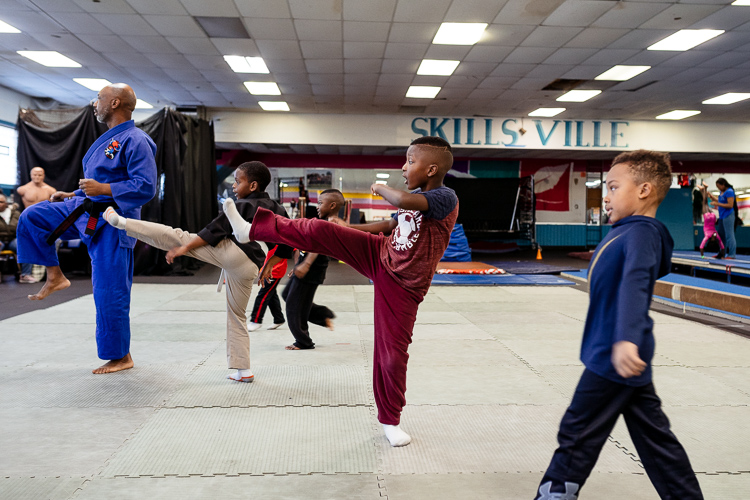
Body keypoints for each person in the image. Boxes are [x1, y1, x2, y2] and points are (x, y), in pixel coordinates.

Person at [223, 136, 458, 447]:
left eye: (409, 162)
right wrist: (345, 229)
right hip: (381, 254)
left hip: (403, 286)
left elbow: (401, 202)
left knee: (390, 357)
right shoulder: (414, 197)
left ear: (431, 169)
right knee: (322, 229)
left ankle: (390, 420)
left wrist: (379, 187)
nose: (403, 168)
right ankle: (252, 229)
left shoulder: (445, 198)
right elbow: (389, 225)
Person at [534, 150, 703, 500]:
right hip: (614, 350)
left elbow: (636, 281)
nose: (605, 196)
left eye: (612, 187)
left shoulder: (643, 233)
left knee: (577, 434)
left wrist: (625, 338)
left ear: (643, 191)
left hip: (614, 353)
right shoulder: (627, 231)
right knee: (656, 443)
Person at [104, 161, 293, 383]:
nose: (233, 185)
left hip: (235, 252)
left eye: (238, 181)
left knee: (179, 235)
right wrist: (273, 262)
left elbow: (215, 229)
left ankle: (124, 222)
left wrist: (184, 248)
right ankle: (244, 371)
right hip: (252, 265)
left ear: (252, 186)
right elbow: (288, 241)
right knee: (237, 315)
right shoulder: (278, 208)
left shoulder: (242, 205)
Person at [16, 83, 157, 374]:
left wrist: (104, 187)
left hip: (114, 222)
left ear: (115, 102)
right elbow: (95, 187)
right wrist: (73, 194)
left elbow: (145, 187)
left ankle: (121, 356)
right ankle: (55, 276)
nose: (96, 103)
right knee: (32, 217)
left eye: (100, 98)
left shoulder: (136, 139)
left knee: (109, 290)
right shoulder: (109, 139)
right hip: (84, 208)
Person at [281, 189, 345, 351]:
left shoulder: (331, 222)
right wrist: (298, 265)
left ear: (331, 205)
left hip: (311, 270)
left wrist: (306, 265)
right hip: (306, 267)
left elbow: (319, 247)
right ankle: (322, 315)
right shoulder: (323, 220)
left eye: (320, 203)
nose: (317, 206)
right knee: (287, 295)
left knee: (294, 305)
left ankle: (303, 341)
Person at [16, 166, 58, 282]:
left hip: (44, 222)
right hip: (28, 221)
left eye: (39, 175)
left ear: (43, 176)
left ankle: (51, 273)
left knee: (55, 241)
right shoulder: (23, 189)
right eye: (34, 174)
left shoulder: (50, 190)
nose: (37, 177)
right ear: (30, 175)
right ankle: (26, 274)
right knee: (26, 242)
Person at [247, 244, 287, 332]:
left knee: (263, 295)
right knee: (271, 294)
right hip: (269, 268)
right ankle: (279, 318)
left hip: (275, 271)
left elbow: (293, 249)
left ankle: (256, 320)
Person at [706, 177, 737, 259]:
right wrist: (713, 197)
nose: (718, 188)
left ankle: (731, 254)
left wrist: (717, 204)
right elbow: (721, 200)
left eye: (719, 186)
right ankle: (721, 253)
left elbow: (730, 205)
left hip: (728, 215)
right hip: (722, 216)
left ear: (723, 184)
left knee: (729, 235)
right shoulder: (722, 192)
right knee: (721, 236)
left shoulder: (729, 191)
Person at [698, 182, 723, 259]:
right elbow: (701, 247)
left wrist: (702, 256)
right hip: (709, 217)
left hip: (711, 217)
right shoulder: (710, 236)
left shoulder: (713, 236)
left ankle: (703, 190)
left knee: (705, 202)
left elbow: (723, 247)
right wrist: (702, 256)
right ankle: (704, 188)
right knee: (704, 202)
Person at [0, 193, 21, 281]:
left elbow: (20, 227)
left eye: (1, 202)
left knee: (24, 246)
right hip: (0, 240)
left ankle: (25, 274)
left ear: (6, 203)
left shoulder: (15, 213)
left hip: (13, 239)